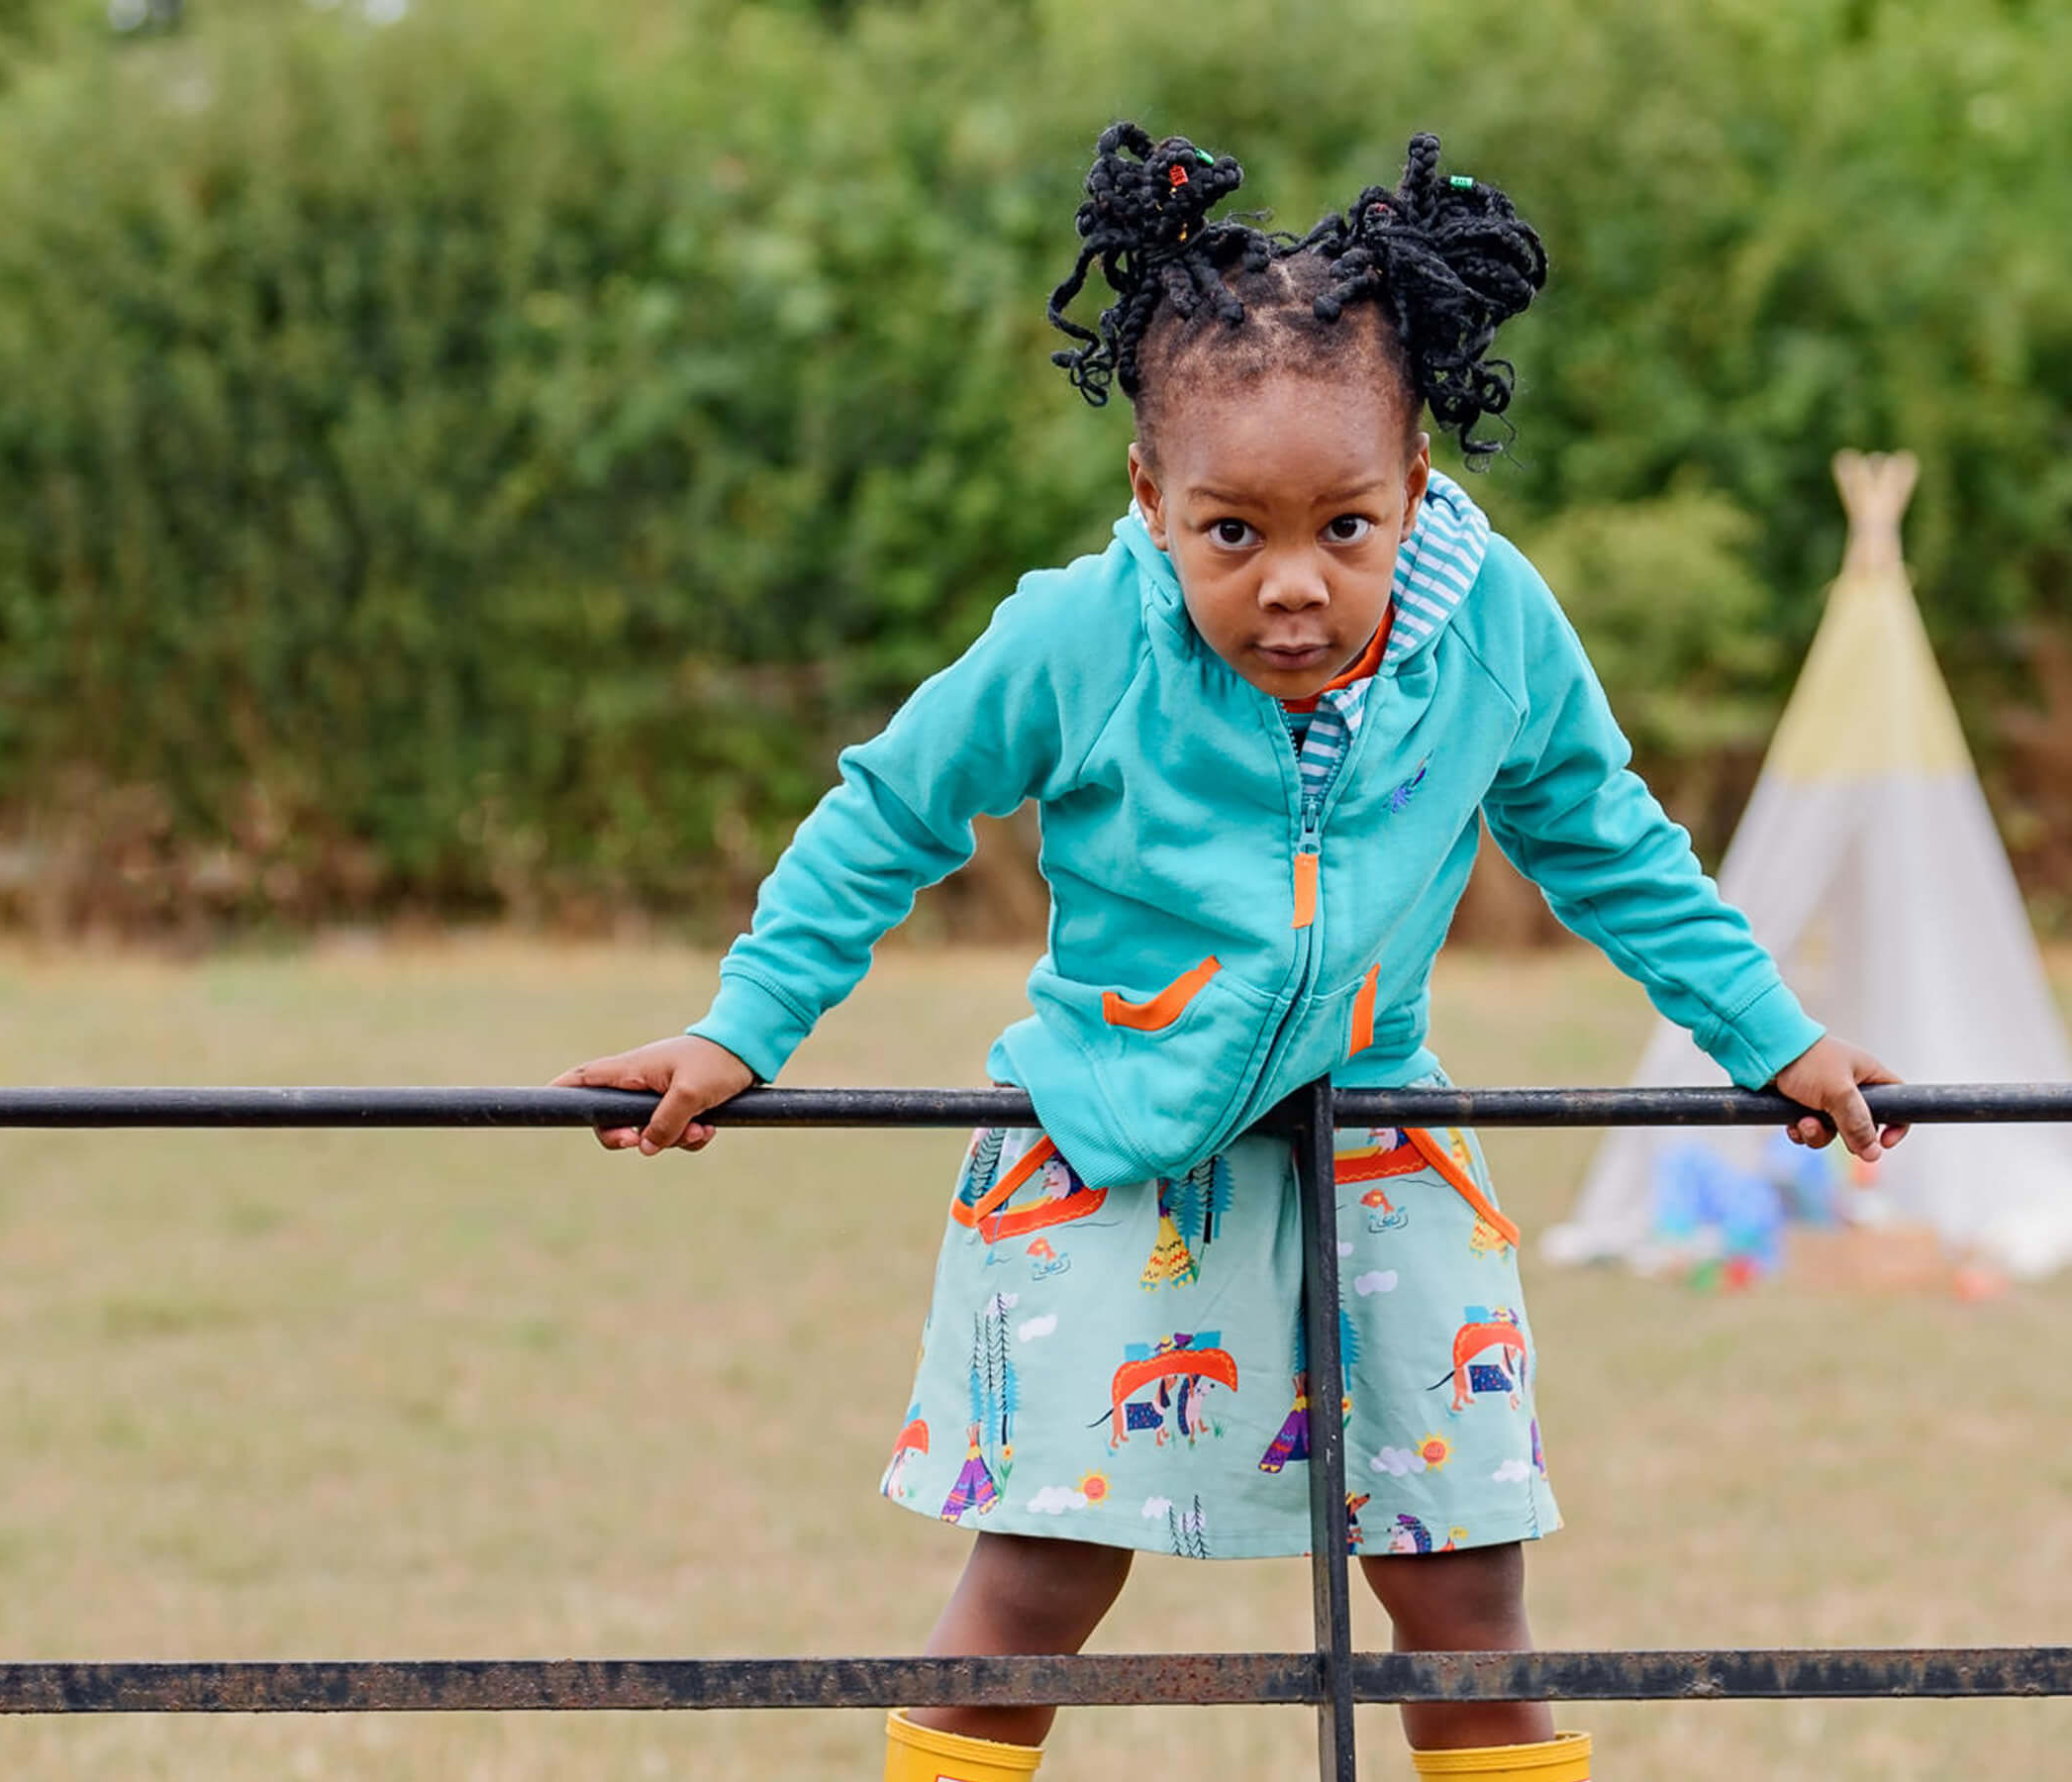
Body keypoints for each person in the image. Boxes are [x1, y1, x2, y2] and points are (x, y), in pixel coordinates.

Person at [552, 124, 1904, 1782]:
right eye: (1231, 535)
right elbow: (889, 811)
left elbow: (1607, 841)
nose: (1292, 588)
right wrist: (737, 1033)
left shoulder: (1494, 630)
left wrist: (1776, 1036)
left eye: (1346, 527)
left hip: (1376, 1124)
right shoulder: (1077, 635)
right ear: (1149, 500)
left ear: (1416, 491)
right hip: (1113, 1139)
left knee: (1463, 1577)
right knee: (1040, 1571)